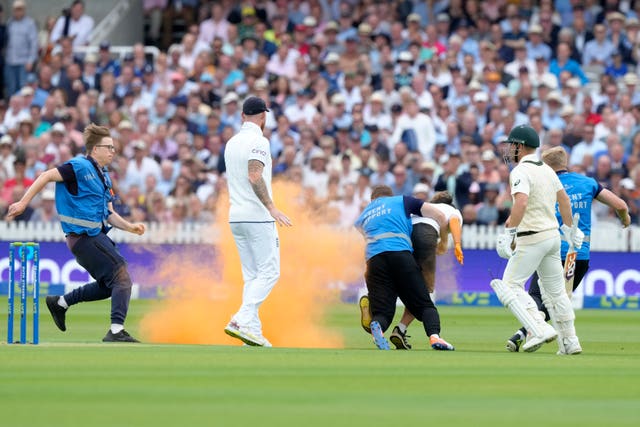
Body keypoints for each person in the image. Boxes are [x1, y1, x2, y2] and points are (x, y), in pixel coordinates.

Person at [5, 123, 146, 342]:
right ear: (95, 148)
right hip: (85, 237)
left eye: (114, 148)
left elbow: (109, 214)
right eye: (108, 147)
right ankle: (116, 330)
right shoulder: (78, 166)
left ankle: (60, 303)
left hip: (89, 238)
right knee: (121, 275)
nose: (113, 152)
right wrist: (23, 202)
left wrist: (130, 227)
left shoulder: (105, 176)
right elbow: (45, 176)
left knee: (111, 285)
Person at [506, 146, 631, 351]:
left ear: (546, 165)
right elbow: (620, 205)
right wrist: (624, 218)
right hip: (579, 255)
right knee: (558, 299)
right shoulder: (588, 183)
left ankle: (530, 333)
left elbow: (522, 208)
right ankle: (562, 341)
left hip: (550, 250)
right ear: (566, 163)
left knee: (539, 296)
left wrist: (511, 233)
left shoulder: (543, 182)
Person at [491, 125, 585, 355]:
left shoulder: (521, 171)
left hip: (531, 237)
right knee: (556, 293)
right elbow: (564, 200)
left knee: (509, 286)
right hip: (552, 238)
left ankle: (539, 328)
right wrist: (569, 229)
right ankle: (570, 341)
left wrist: (510, 233)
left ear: (520, 146)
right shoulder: (547, 169)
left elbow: (521, 203)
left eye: (512, 145)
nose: (510, 149)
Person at [223, 96, 292, 347]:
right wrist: (271, 207)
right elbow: (254, 175)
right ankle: (241, 319)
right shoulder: (259, 141)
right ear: (263, 116)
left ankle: (251, 330)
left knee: (252, 276)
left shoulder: (231, 142)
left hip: (236, 216)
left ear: (243, 116)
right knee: (270, 272)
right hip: (257, 217)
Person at [354, 184, 455, 351]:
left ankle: (377, 325)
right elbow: (439, 215)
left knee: (383, 312)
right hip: (400, 254)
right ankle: (435, 337)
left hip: (374, 262)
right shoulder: (402, 201)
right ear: (390, 195)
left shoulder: (364, 214)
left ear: (373, 199)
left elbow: (363, 234)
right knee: (425, 306)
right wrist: (443, 241)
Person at [385, 189, 464, 350]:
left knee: (411, 287)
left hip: (403, 239)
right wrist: (456, 244)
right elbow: (454, 220)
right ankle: (433, 336)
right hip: (425, 236)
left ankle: (399, 329)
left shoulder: (424, 206)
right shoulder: (451, 209)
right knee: (423, 292)